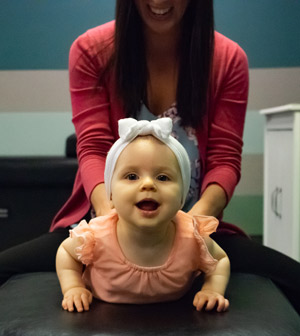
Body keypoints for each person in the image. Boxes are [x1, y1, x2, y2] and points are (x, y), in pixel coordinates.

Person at [1, 0, 300, 314]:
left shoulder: (228, 60)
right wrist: (109, 218)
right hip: (105, 220)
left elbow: (225, 159)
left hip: (190, 225)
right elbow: (92, 147)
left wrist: (195, 226)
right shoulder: (91, 51)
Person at [56, 118, 230, 313]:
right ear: (111, 194)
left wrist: (212, 289)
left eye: (162, 177)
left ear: (182, 197)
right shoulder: (96, 236)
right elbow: (66, 253)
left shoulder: (192, 237)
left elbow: (220, 260)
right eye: (132, 176)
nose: (148, 184)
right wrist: (73, 287)